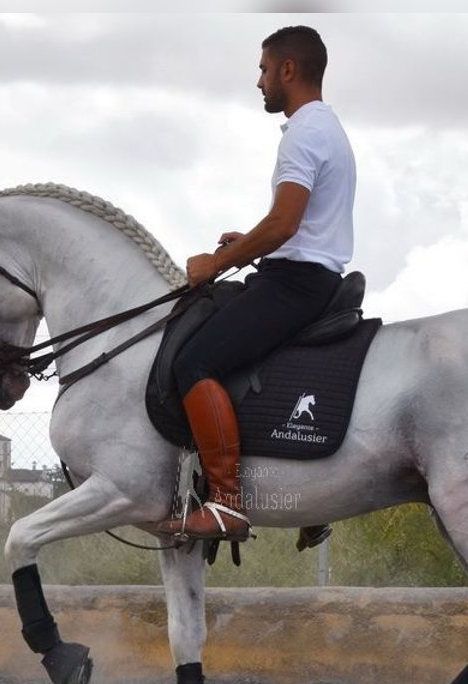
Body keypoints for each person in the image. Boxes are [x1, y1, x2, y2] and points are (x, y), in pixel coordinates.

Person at [155, 25, 357, 542]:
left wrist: (215, 265)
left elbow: (284, 224)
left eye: (264, 70)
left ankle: (226, 502)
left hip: (297, 283)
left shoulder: (304, 135)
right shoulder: (324, 128)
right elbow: (299, 225)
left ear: (288, 70)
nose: (260, 82)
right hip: (306, 271)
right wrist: (254, 239)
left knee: (194, 362)